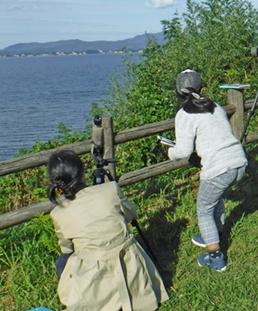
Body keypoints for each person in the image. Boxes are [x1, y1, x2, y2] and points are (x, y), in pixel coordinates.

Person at [47, 150, 169, 311]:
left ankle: (77, 296)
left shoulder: (58, 213)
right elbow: (131, 214)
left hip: (93, 263)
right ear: (82, 173)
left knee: (62, 261)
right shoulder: (110, 189)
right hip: (126, 254)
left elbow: (66, 248)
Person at [168, 69, 247, 272]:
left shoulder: (184, 114)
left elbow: (183, 150)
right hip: (239, 161)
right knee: (216, 196)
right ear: (201, 89)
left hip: (219, 168)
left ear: (178, 93)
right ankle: (215, 235)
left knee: (203, 210)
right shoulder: (215, 106)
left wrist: (171, 152)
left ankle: (216, 258)